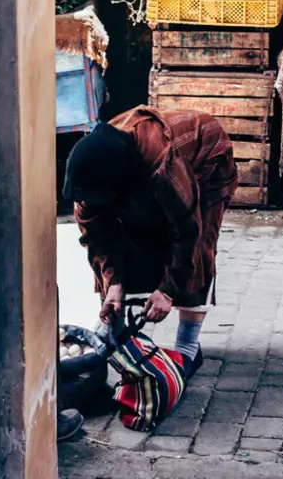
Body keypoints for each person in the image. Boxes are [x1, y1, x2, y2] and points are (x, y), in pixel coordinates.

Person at [64, 104, 237, 377]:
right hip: (138, 179)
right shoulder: (88, 177)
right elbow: (97, 238)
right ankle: (112, 327)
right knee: (128, 236)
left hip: (207, 162)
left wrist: (167, 291)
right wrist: (114, 282)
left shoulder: (162, 166)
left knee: (199, 243)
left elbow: (188, 230)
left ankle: (188, 348)